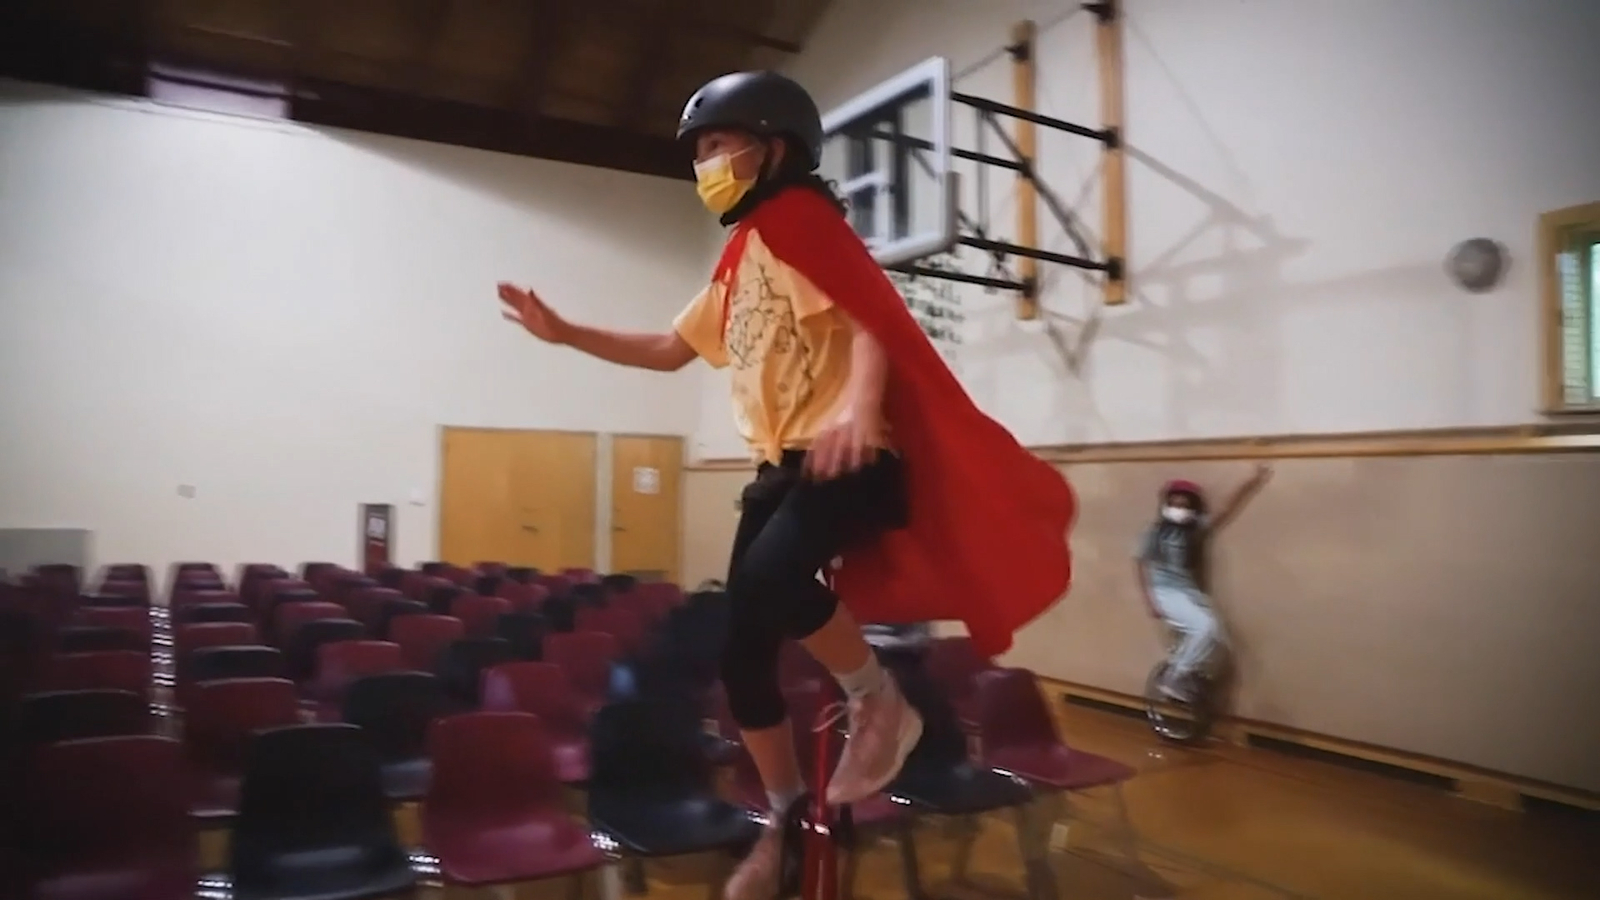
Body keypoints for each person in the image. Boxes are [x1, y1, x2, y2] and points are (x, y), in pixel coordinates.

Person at [499, 69, 1075, 900]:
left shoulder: (804, 220)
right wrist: (566, 334)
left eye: (717, 144)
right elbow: (670, 349)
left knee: (773, 580)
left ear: (773, 149)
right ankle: (783, 819)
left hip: (847, 457)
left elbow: (874, 315)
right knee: (742, 663)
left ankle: (881, 703)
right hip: (780, 471)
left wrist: (860, 406)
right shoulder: (743, 254)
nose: (704, 162)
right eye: (698, 150)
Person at [1134, 465, 1271, 702]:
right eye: (1174, 504)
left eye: (1184, 505)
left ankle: (1182, 668)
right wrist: (1150, 601)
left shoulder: (1195, 530)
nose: (1178, 509)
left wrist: (1251, 482)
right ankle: (1174, 677)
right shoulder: (1153, 532)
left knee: (1218, 637)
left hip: (1188, 591)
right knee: (1205, 627)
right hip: (1165, 592)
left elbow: (1226, 509)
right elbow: (1139, 563)